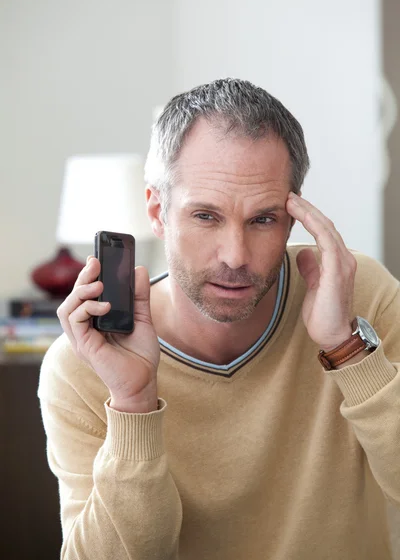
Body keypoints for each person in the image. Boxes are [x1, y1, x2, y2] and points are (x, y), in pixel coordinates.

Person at [38, 78, 400, 560]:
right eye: (206, 216)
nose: (235, 256)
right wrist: (133, 403)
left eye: (263, 219)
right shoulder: (84, 364)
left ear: (295, 220)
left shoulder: (359, 296)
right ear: (157, 211)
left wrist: (348, 350)